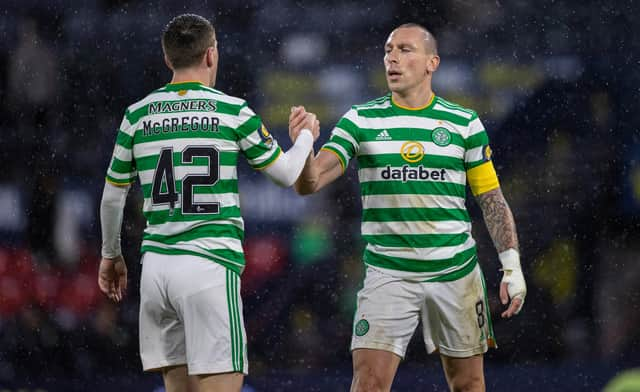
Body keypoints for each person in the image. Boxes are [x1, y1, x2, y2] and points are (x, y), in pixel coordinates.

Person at [290, 23, 526, 392]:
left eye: (405, 49)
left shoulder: (464, 123)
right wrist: (304, 145)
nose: (392, 58)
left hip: (455, 272)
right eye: (387, 50)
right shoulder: (360, 121)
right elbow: (310, 183)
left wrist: (511, 267)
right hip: (389, 273)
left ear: (432, 62)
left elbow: (491, 199)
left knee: (468, 385)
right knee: (368, 384)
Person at [97, 14, 319, 392]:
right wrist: (304, 139)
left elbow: (113, 195)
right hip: (208, 266)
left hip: (156, 272)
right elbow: (285, 174)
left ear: (168, 59)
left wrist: (111, 255)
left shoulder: (136, 115)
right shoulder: (232, 111)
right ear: (212, 55)